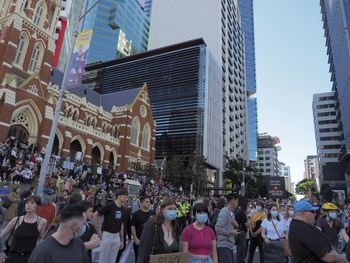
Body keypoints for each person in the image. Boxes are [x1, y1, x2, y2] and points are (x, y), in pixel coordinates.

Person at [0, 196, 47, 263]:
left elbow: (40, 241)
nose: (29, 205)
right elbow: (1, 235)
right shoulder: (16, 220)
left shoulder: (42, 222)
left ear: (38, 206)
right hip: (12, 258)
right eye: (27, 203)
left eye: (32, 203)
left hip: (29, 258)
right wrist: (1, 250)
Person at [137, 198, 181, 263]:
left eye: (175, 209)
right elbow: (144, 252)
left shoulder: (176, 227)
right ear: (162, 210)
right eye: (169, 209)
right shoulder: (152, 226)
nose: (173, 211)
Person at [93, 188, 127, 263]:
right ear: (119, 196)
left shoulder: (123, 209)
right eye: (124, 195)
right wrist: (98, 230)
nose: (126, 197)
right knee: (103, 259)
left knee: (112, 260)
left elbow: (122, 224)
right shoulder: (110, 206)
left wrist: (122, 240)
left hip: (116, 236)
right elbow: (95, 214)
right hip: (107, 234)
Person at [215, 194, 240, 263]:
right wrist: (231, 233)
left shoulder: (232, 214)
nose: (238, 203)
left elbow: (228, 227)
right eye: (237, 201)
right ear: (232, 201)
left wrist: (236, 226)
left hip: (229, 245)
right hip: (223, 245)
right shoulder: (224, 212)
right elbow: (217, 227)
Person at [131, 196, 155, 263]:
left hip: (150, 241)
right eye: (147, 202)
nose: (149, 203)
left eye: (149, 202)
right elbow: (133, 226)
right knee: (138, 259)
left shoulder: (153, 213)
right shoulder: (136, 214)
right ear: (141, 203)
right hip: (139, 240)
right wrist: (135, 238)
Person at [234, 196, 248, 263]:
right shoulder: (242, 212)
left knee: (239, 252)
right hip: (242, 233)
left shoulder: (236, 210)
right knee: (241, 252)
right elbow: (247, 224)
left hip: (237, 232)